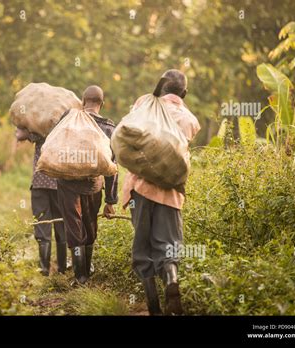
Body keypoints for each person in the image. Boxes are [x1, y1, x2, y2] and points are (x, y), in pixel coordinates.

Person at [122, 70, 201, 315]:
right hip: (171, 192)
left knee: (142, 247)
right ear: (184, 93)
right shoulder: (190, 120)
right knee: (169, 247)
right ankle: (171, 281)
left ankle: (154, 309)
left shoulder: (144, 105)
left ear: (161, 88)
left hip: (140, 188)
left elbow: (126, 133)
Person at [56, 85, 118, 284]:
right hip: (94, 185)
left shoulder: (68, 121)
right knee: (90, 226)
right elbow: (112, 167)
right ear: (102, 103)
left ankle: (80, 276)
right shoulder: (109, 128)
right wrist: (110, 200)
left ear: (83, 102)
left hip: (67, 185)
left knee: (73, 228)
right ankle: (86, 274)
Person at [15, 127, 66, 276]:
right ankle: (62, 268)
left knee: (42, 225)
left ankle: (44, 268)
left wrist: (25, 129)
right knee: (62, 224)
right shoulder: (65, 130)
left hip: (40, 184)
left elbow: (19, 135)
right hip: (60, 185)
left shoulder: (38, 129)